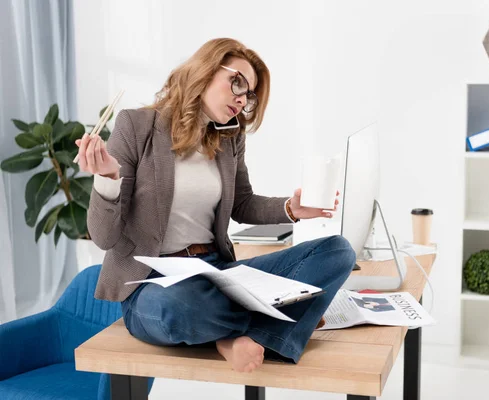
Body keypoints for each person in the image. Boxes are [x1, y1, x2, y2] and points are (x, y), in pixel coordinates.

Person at [76, 38, 356, 373]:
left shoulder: (229, 138)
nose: (242, 98)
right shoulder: (136, 127)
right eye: (237, 82)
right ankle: (269, 326)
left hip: (217, 272)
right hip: (152, 284)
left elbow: (242, 203)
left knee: (337, 252)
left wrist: (291, 209)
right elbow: (104, 238)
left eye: (249, 94)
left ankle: (254, 329)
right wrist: (107, 178)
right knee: (179, 306)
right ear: (206, 69)